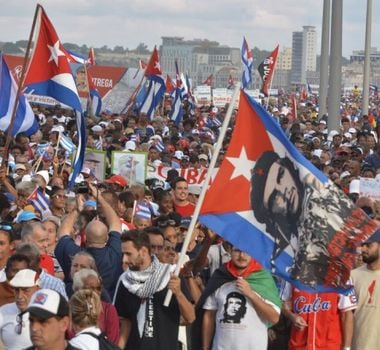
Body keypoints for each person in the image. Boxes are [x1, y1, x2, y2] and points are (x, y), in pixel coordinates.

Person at [250, 150, 360, 287]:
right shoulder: (274, 251)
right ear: (269, 212)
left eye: (281, 175)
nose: (283, 190)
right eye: (274, 196)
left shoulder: (325, 209)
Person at [113, 229, 195, 350]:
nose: (124, 259)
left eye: (129, 254)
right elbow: (125, 322)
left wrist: (178, 293)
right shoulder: (125, 280)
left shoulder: (170, 275)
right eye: (123, 254)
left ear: (144, 251)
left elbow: (190, 318)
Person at [200, 247, 281, 350]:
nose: (242, 255)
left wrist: (251, 294)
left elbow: (274, 318)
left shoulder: (263, 279)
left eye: (247, 251)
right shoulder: (220, 276)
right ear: (230, 251)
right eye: (237, 250)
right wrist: (205, 347)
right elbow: (209, 315)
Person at [55, 184, 122, 297]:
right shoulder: (115, 253)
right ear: (106, 238)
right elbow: (115, 223)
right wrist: (99, 198)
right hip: (104, 309)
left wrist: (78, 209)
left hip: (74, 307)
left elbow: (63, 232)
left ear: (85, 237)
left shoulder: (75, 255)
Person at [281, 281, 357, 350]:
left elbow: (346, 314)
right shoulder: (291, 270)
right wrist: (292, 316)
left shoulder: (341, 273)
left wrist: (346, 347)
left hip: (329, 345)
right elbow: (282, 303)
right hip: (299, 344)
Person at [71, 268, 119, 344]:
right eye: (90, 288)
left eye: (98, 288)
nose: (96, 292)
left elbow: (112, 344)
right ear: (77, 290)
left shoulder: (109, 310)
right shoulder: (68, 309)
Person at [351, 229, 380, 350]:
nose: (363, 249)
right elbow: (347, 315)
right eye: (362, 245)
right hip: (357, 345)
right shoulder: (352, 275)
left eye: (369, 245)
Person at [0, 269, 40, 349]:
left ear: (37, 289)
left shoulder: (49, 313)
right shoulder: (2, 311)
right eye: (16, 290)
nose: (19, 296)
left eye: (26, 290)